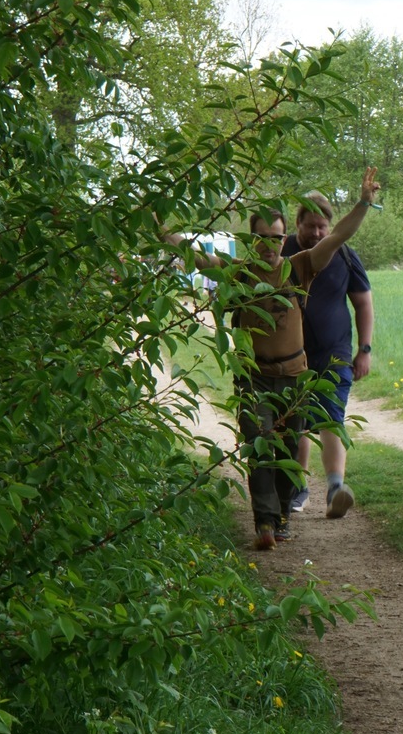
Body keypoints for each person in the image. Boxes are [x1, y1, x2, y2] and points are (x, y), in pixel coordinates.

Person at [162, 168, 380, 550]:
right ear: (251, 240)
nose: (270, 245)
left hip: (295, 377)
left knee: (286, 451)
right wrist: (162, 229)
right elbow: (196, 258)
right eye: (262, 238)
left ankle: (281, 516)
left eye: (276, 238)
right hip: (254, 379)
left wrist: (363, 203)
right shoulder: (238, 274)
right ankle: (264, 522)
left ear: (284, 237)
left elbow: (339, 236)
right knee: (260, 446)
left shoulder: (301, 267)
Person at [280, 192, 374, 520]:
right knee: (295, 420)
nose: (318, 233)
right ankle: (297, 487)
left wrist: (364, 349)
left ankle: (336, 488)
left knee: (331, 417)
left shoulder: (344, 254)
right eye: (311, 226)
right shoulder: (281, 253)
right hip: (289, 353)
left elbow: (363, 303)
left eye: (323, 227)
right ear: (297, 223)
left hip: (335, 353)